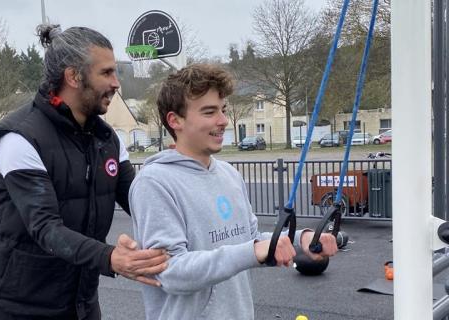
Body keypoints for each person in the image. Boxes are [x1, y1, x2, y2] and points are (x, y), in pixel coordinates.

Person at [0, 24, 168, 320]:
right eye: (106, 73)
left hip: (80, 302)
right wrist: (111, 257)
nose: (117, 83)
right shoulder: (18, 138)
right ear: (73, 76)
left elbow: (141, 200)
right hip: (18, 305)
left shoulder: (107, 139)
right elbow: (45, 228)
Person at [129, 63, 338, 320]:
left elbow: (250, 239)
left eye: (223, 110)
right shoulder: (154, 183)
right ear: (175, 120)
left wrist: (302, 239)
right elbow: (172, 272)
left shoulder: (229, 174)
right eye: (209, 112)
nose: (223, 121)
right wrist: (251, 252)